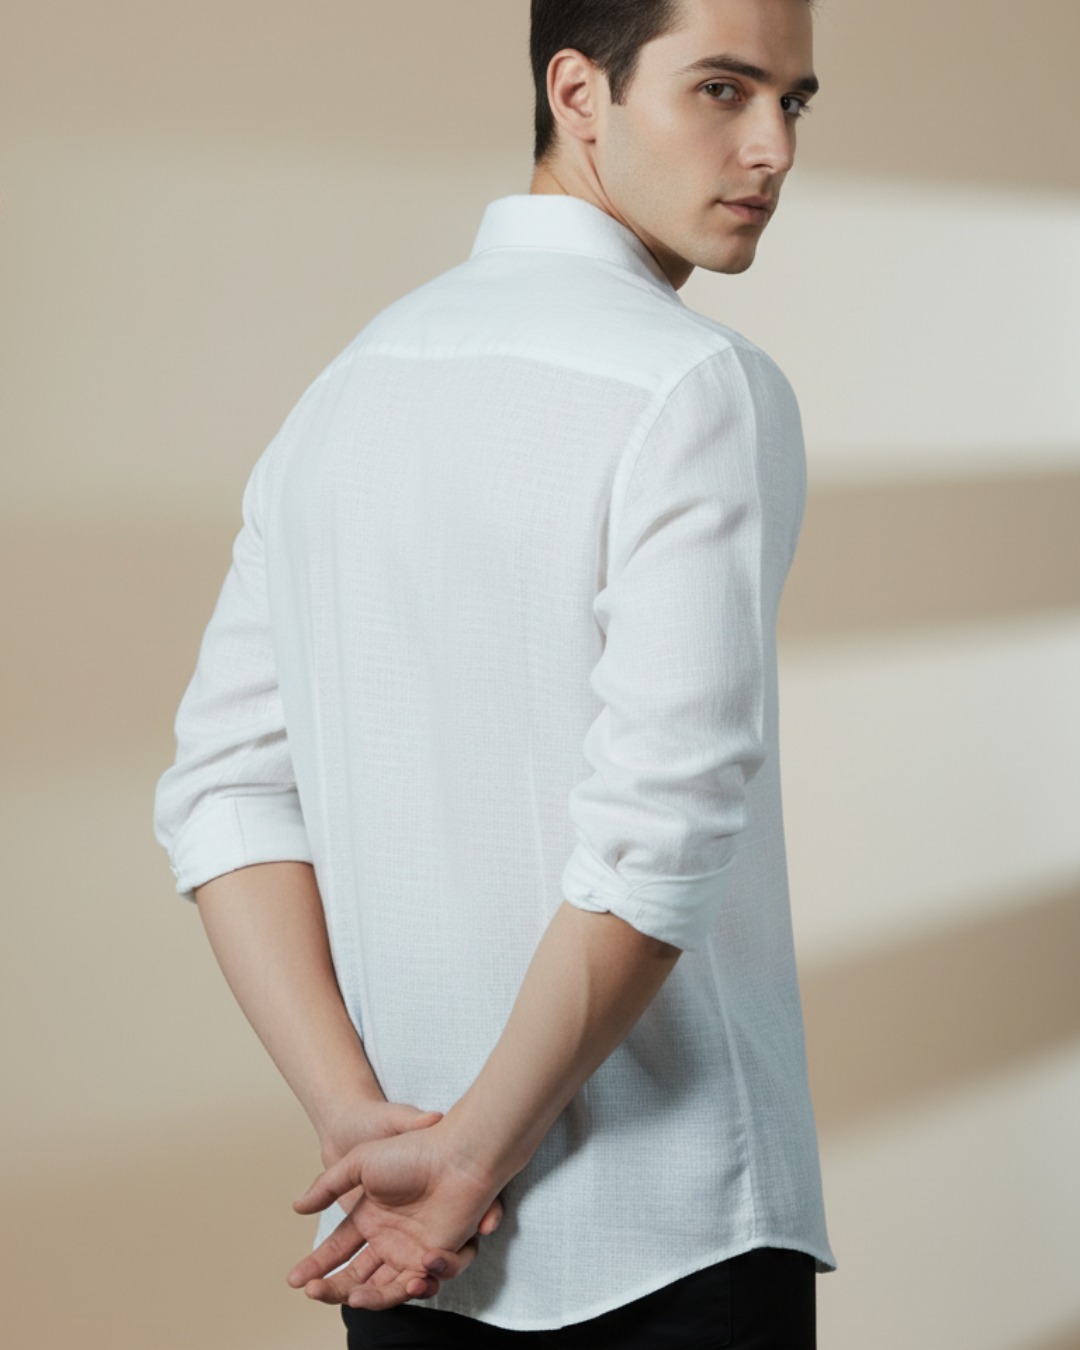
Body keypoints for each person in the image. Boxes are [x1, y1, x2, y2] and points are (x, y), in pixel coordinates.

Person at [153, 0, 837, 1344]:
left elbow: (223, 790)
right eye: (722, 89)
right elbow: (663, 831)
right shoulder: (698, 383)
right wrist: (463, 1158)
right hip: (671, 1226)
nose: (774, 147)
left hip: (402, 1233)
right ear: (578, 93)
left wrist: (363, 1126)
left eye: (793, 101)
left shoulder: (346, 388)